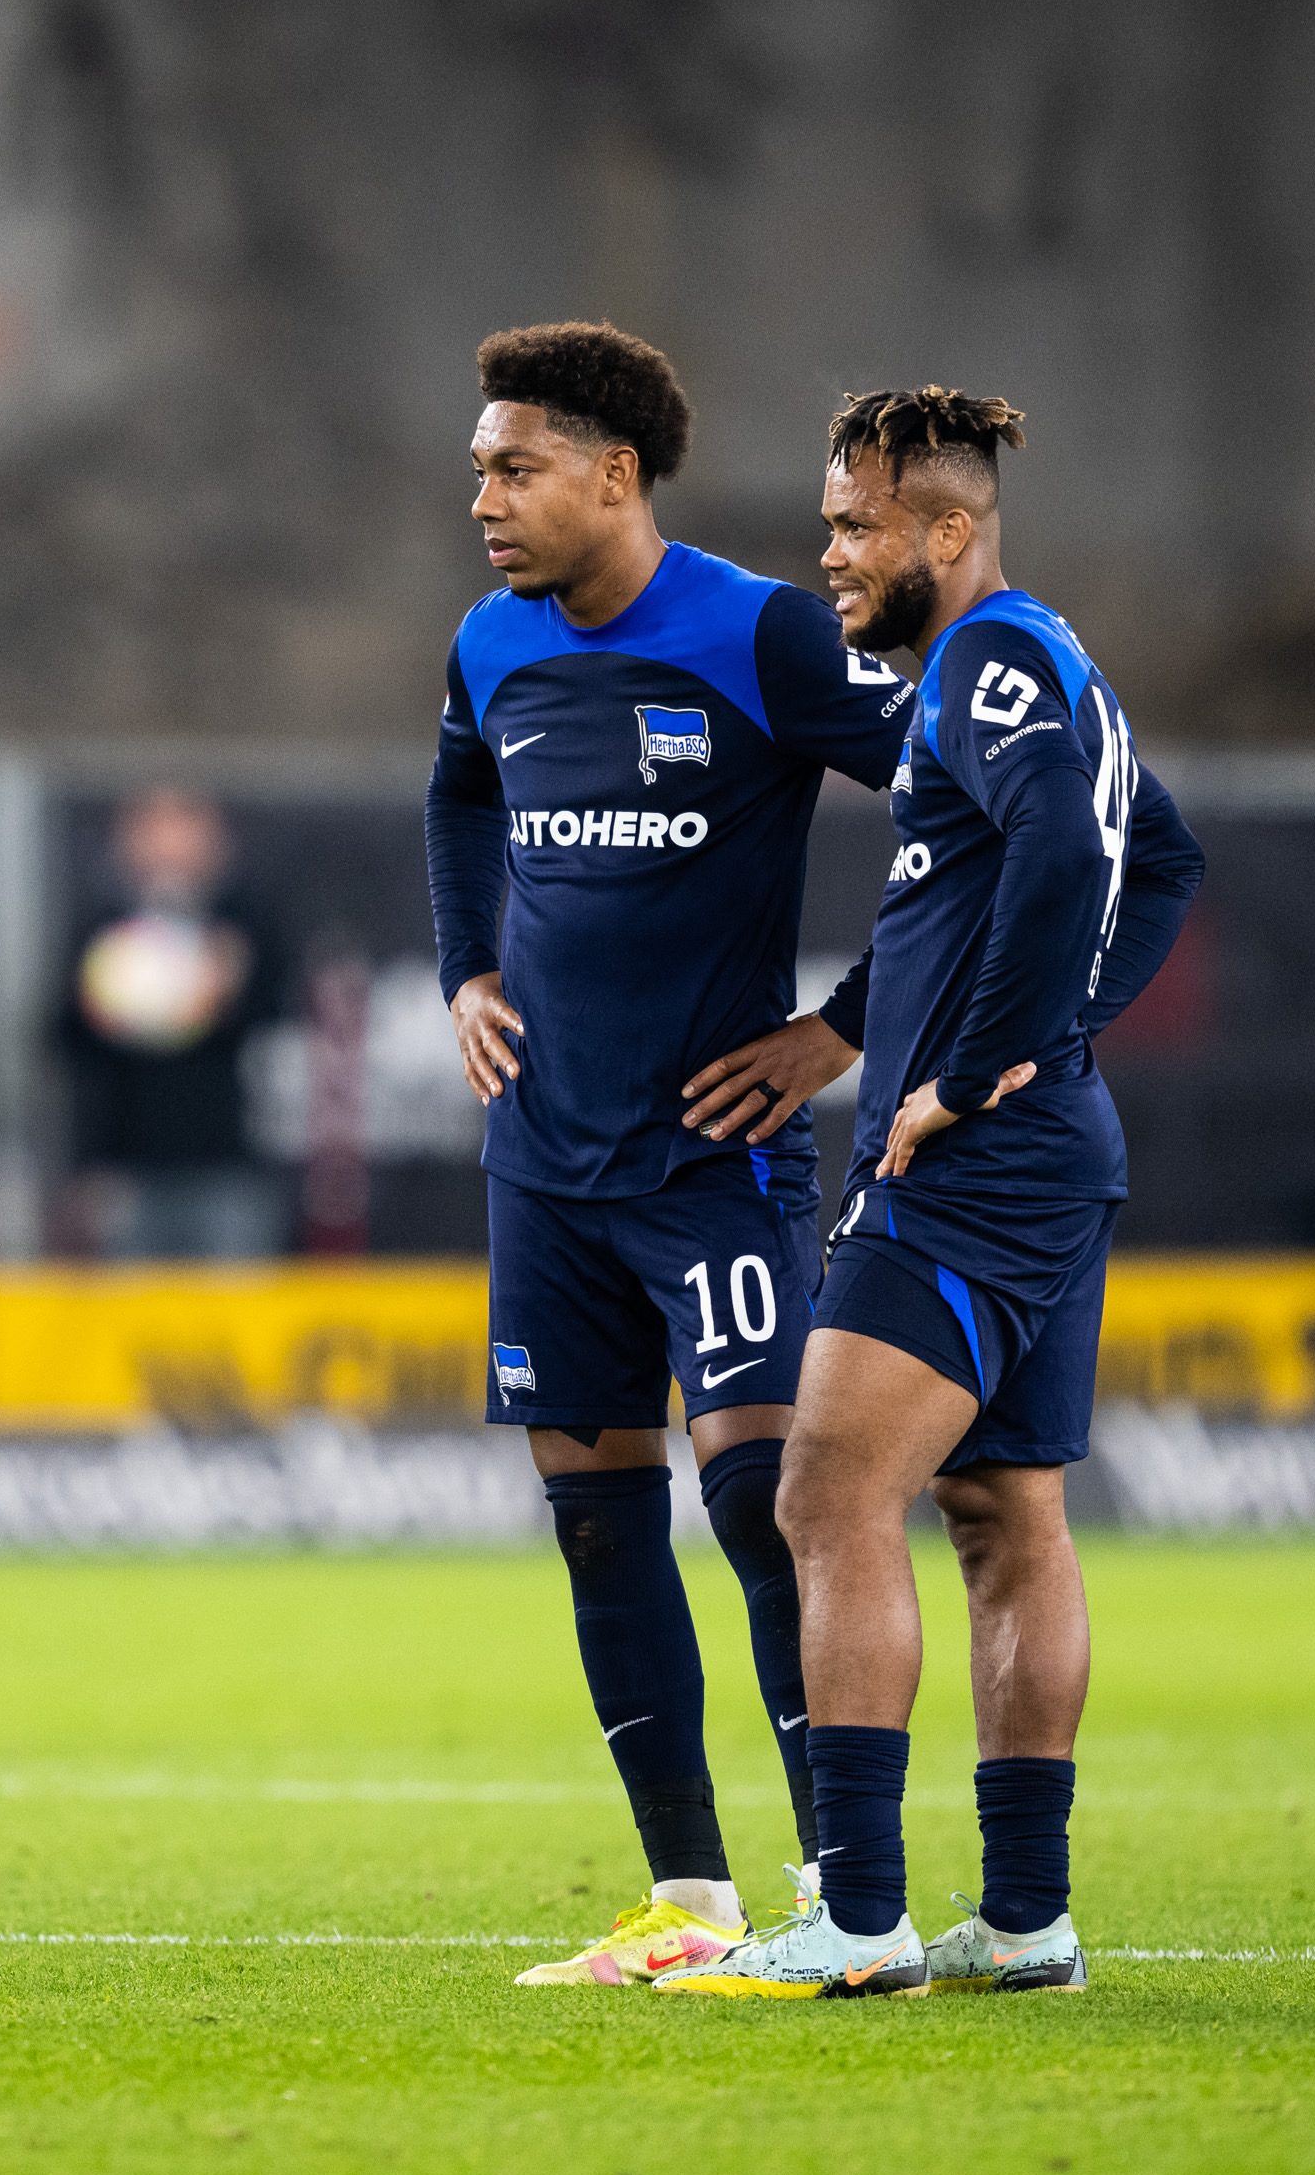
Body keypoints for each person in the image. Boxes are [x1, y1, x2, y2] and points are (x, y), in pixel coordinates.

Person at [659, 387, 1199, 2003]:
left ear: (944, 532)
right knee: (1003, 1510)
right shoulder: (1039, 667)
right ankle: (1026, 1919)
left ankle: (862, 1912)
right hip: (1047, 1154)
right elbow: (1154, 858)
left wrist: (979, 1064)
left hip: (971, 1164)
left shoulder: (991, 658)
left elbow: (1056, 855)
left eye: (854, 526)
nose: (830, 555)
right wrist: (1064, 1039)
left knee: (824, 1499)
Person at [423, 321, 914, 1986]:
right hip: (545, 1163)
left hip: (715, 1161)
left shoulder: (762, 634)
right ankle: (690, 1906)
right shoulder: (491, 645)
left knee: (764, 1501)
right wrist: (465, 972)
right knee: (592, 1516)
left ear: (613, 474)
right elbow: (458, 798)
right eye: (481, 465)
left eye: (514, 466)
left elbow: (964, 810)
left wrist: (837, 1034)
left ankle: (844, 1897)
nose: (480, 494)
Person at [60, 787, 290, 1260]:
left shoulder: (244, 924)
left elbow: (273, 1019)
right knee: (132, 1323)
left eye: (184, 824)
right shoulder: (102, 930)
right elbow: (64, 1039)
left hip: (228, 1163)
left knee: (236, 1322)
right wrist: (109, 1008)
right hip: (128, 1166)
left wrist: (226, 990)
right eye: (153, 826)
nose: (169, 843)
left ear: (214, 839)